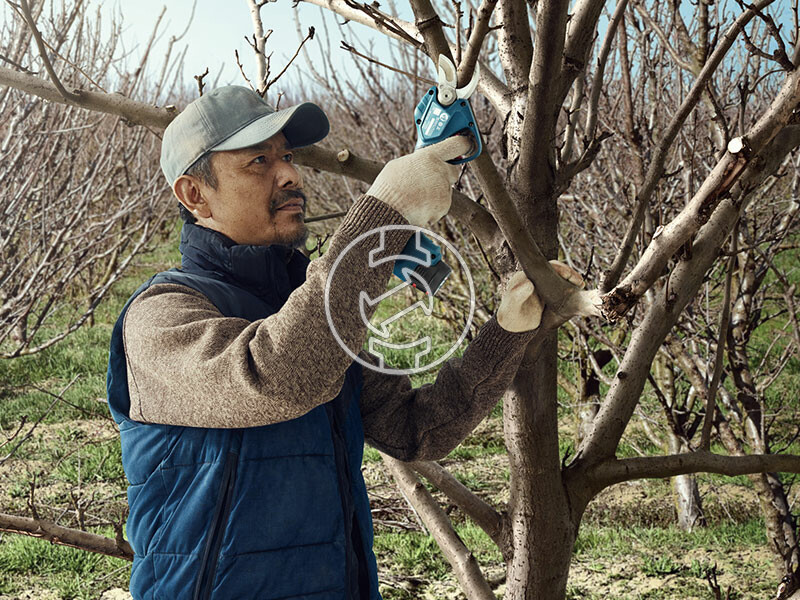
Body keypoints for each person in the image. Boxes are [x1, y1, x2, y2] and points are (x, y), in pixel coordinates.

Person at [106, 85, 583, 600]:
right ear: (195, 194)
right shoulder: (160, 317)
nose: (288, 173)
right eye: (258, 162)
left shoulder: (313, 309)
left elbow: (415, 430)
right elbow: (278, 376)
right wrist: (381, 215)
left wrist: (505, 334)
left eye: (287, 156)